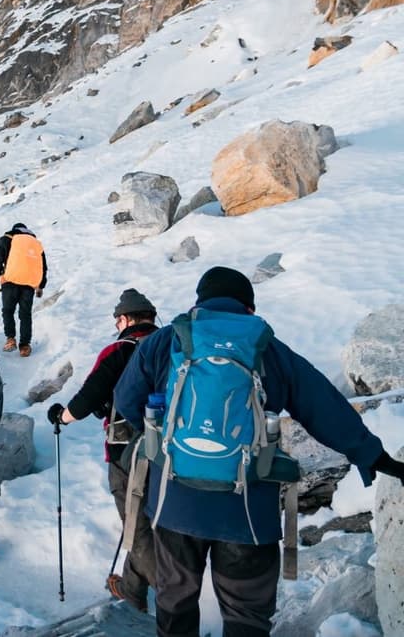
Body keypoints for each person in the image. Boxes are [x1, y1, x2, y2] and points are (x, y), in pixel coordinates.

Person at [114, 266, 404, 637]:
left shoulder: (168, 341)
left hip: (176, 500)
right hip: (247, 509)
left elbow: (126, 400)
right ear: (248, 308)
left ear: (200, 303)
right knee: (246, 613)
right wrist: (370, 454)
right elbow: (322, 406)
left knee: (175, 599)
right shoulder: (267, 349)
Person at [47, 288, 158, 612]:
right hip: (175, 450)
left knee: (137, 529)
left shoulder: (120, 349)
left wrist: (61, 417)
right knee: (151, 523)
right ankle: (131, 589)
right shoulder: (172, 347)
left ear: (125, 319)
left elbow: (87, 397)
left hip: (129, 454)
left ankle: (174, 599)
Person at [0, 222, 47, 357]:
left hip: (9, 281)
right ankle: (25, 345)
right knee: (25, 314)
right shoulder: (35, 243)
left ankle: (10, 338)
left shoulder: (6, 238)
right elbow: (43, 266)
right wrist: (40, 285)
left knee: (8, 310)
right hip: (28, 284)